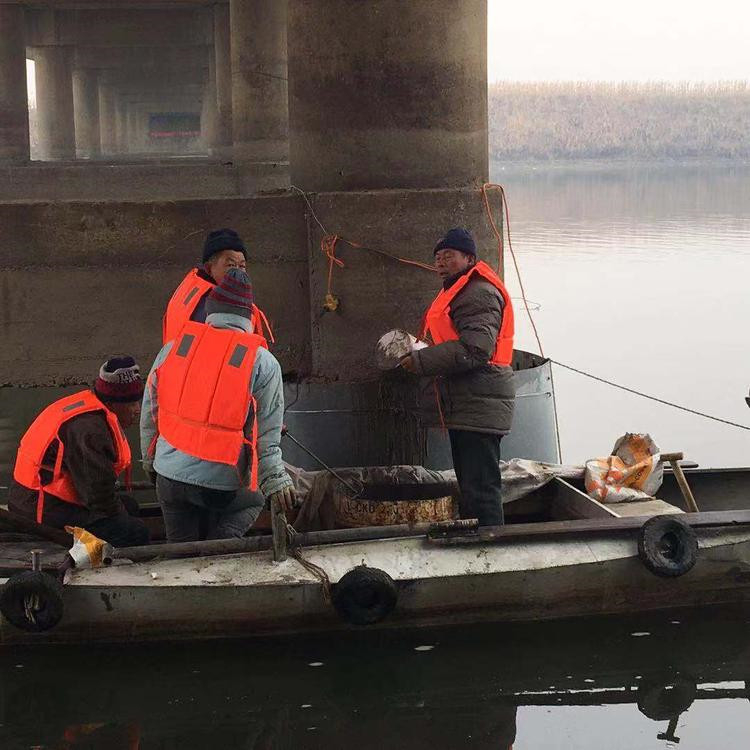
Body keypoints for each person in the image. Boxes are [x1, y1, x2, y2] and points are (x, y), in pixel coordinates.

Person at [142, 268, 296, 542]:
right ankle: (223, 542)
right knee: (253, 500)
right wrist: (275, 480)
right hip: (221, 487)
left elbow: (150, 413)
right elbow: (267, 438)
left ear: (211, 311)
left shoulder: (174, 348)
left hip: (169, 479)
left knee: (180, 554)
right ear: (249, 316)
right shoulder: (261, 361)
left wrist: (151, 464)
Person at [401, 227, 515, 527]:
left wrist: (421, 360)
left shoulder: (477, 292)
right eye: (438, 257)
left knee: (481, 485)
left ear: (469, 257)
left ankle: (491, 548)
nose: (441, 261)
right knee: (471, 482)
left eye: (449, 256)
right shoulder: (458, 290)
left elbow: (477, 348)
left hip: (481, 401)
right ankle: (478, 545)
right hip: (469, 400)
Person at [9, 357, 150, 547]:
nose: (137, 410)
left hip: (28, 499)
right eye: (131, 404)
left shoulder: (88, 406)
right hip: (40, 509)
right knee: (135, 531)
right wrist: (123, 522)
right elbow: (99, 496)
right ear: (113, 403)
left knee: (130, 507)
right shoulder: (90, 430)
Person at [162, 227, 274, 345]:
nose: (237, 272)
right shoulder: (212, 305)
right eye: (230, 265)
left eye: (242, 266)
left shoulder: (190, 290)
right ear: (209, 268)